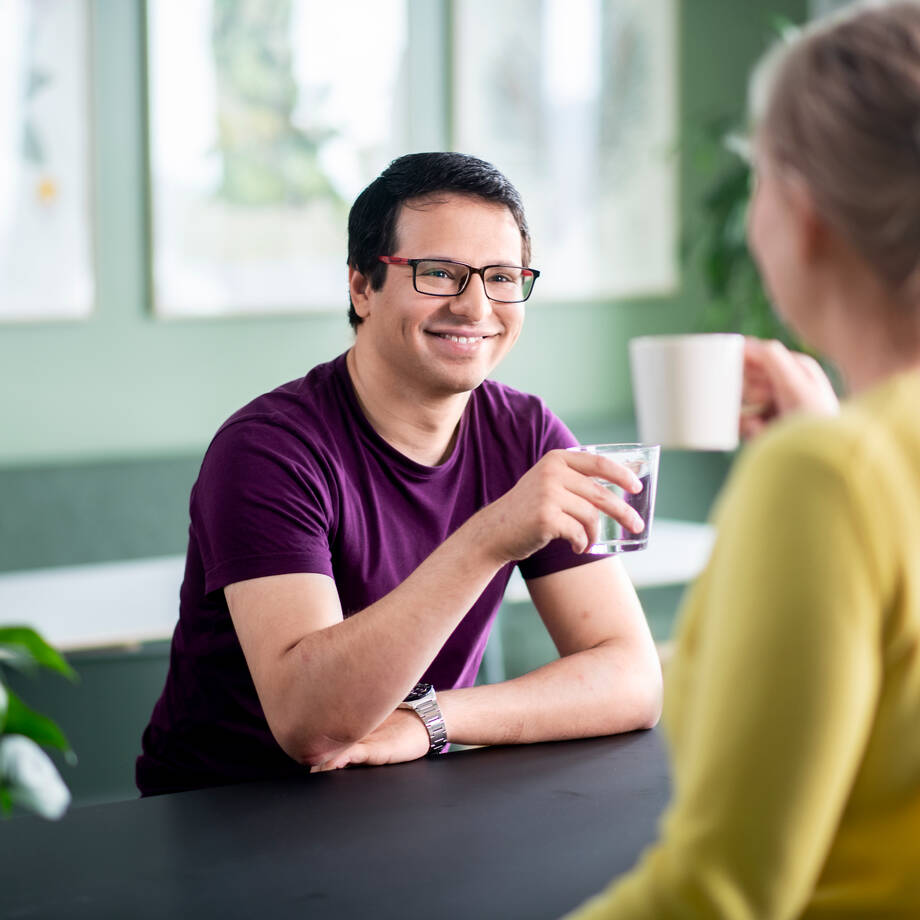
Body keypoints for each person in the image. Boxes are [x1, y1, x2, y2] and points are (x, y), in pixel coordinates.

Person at [136, 151, 662, 795]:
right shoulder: (268, 450)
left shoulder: (525, 433)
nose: (476, 307)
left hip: (402, 794)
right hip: (229, 811)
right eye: (439, 273)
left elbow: (632, 679)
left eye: (502, 277)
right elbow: (310, 726)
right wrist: (490, 537)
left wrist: (431, 721)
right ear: (362, 287)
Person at [566, 2, 920, 917]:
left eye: (758, 173)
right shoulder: (858, 466)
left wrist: (838, 463)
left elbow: (716, 895)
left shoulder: (827, 479)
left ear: (803, 213)